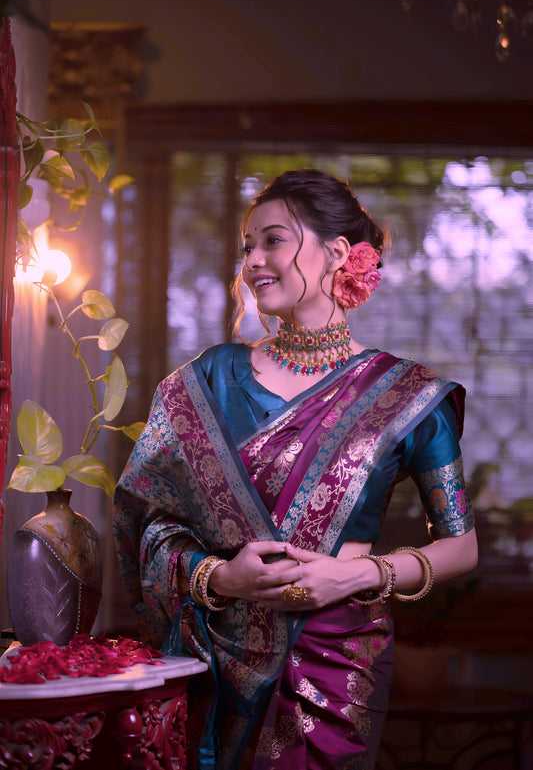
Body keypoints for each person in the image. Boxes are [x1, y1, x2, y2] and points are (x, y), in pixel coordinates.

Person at [112, 168, 478, 770]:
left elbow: (460, 546)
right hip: (215, 655)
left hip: (336, 662)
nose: (254, 259)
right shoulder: (203, 382)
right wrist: (218, 577)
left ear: (337, 253)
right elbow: (146, 521)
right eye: (246, 246)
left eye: (273, 240)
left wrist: (355, 577)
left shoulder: (407, 396)